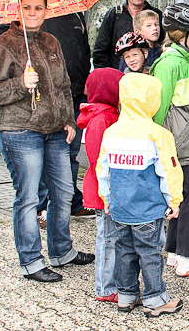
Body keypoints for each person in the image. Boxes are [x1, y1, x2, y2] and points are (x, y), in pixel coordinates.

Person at [0, 0, 94, 282]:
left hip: (55, 131)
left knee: (64, 192)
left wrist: (68, 119)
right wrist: (21, 84)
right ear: (18, 10)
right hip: (20, 131)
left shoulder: (51, 41)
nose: (32, 13)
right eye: (27, 7)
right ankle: (31, 261)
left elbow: (64, 86)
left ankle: (61, 251)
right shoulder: (4, 45)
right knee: (29, 197)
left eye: (38, 8)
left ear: (46, 11)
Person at [97, 73, 184, 317]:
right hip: (147, 210)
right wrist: (174, 200)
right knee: (149, 253)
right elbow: (169, 171)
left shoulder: (111, 132)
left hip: (119, 208)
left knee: (124, 250)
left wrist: (106, 199)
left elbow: (102, 170)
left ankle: (126, 295)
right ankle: (156, 299)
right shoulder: (158, 134)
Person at [0, 12, 92, 225]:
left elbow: (84, 50)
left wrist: (86, 77)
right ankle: (41, 207)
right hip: (41, 100)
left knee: (69, 153)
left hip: (73, 93)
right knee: (38, 162)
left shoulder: (75, 14)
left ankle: (70, 203)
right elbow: (2, 34)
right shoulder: (32, 14)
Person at [149, 3, 189, 277]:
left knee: (185, 195)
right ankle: (186, 254)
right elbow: (159, 108)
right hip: (177, 145)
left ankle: (175, 251)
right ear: (180, 36)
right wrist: (159, 147)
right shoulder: (170, 64)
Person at [77, 67, 124, 302]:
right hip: (104, 190)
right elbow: (98, 159)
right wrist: (108, 191)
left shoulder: (110, 115)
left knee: (113, 236)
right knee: (107, 238)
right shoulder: (101, 119)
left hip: (111, 187)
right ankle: (105, 287)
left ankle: (113, 282)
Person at [93, 0, 163, 69]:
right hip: (119, 73)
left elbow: (164, 43)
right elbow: (100, 51)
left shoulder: (155, 14)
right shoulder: (115, 14)